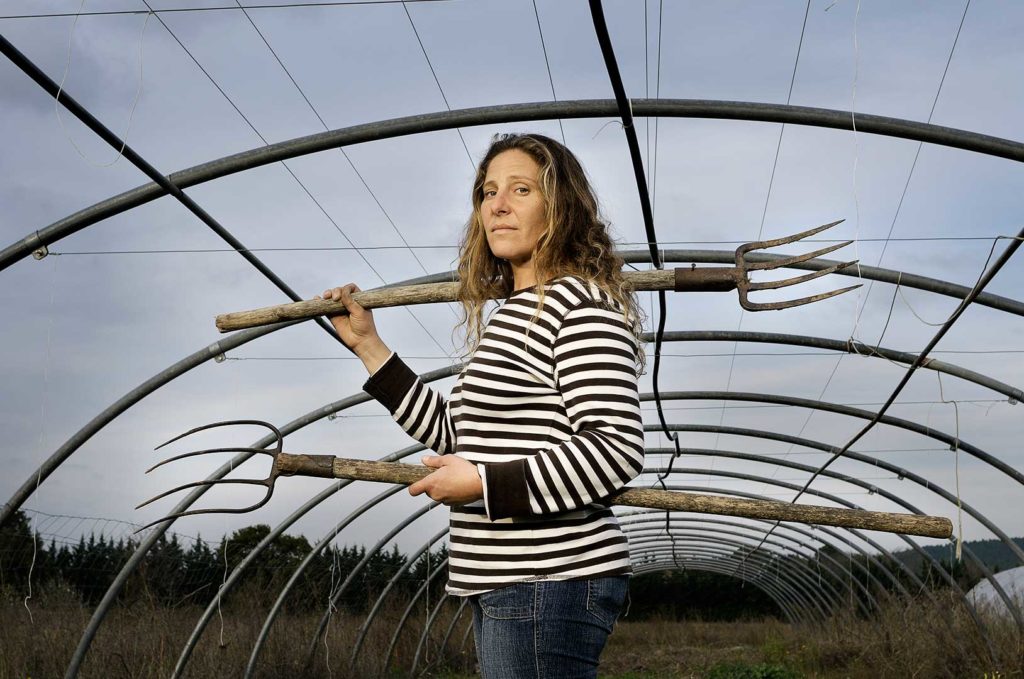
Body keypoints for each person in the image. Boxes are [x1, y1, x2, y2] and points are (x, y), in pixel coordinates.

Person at [322, 133, 645, 679]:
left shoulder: (580, 306)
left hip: (550, 576)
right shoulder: (513, 315)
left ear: (560, 207)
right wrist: (370, 348)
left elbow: (614, 450)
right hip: (508, 579)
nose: (497, 205)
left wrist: (483, 485)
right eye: (488, 192)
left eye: (521, 190)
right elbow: (459, 436)